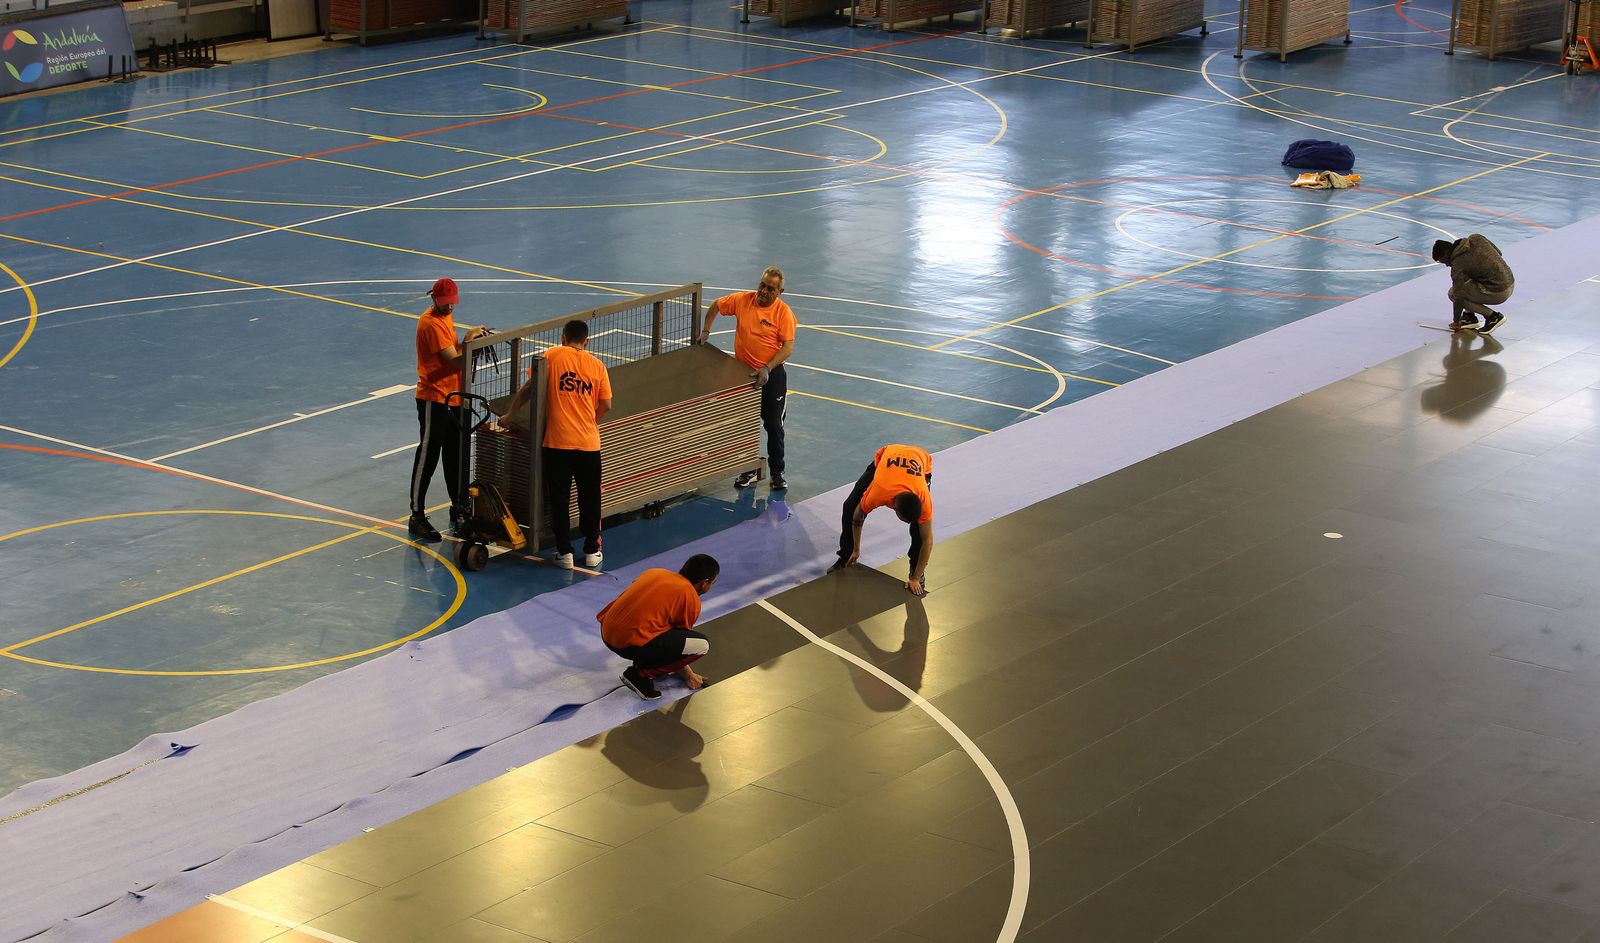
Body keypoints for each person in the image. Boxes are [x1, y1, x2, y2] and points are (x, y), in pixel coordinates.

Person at [502, 320, 611, 569]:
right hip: (589, 444)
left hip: (558, 443)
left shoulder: (550, 356)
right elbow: (606, 404)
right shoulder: (597, 365)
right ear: (587, 342)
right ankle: (593, 550)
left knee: (559, 500)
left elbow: (531, 388)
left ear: (562, 338)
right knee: (590, 498)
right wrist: (591, 421)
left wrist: (510, 415)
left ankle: (565, 552)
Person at [696, 266, 796, 490]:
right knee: (744, 424)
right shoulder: (742, 301)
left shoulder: (783, 313)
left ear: (780, 292)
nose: (764, 291)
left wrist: (767, 368)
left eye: (771, 288)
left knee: (773, 426)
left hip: (772, 376)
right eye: (762, 285)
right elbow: (716, 306)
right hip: (744, 375)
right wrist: (706, 331)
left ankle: (777, 472)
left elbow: (788, 347)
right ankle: (747, 470)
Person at [410, 277, 489, 542]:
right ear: (434, 299)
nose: (448, 308)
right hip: (435, 398)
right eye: (444, 303)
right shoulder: (431, 323)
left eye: (451, 304)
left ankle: (459, 508)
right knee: (428, 455)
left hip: (453, 397)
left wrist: (473, 342)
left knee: (455, 457)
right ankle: (416, 515)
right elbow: (454, 360)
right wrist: (470, 340)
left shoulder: (446, 317)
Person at [598, 554, 721, 700]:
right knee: (702, 645)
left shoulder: (655, 572)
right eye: (713, 583)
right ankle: (639, 675)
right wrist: (688, 674)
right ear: (704, 583)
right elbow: (679, 643)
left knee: (660, 628)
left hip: (606, 632)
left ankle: (642, 664)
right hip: (628, 644)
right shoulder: (689, 596)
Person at [829, 444, 934, 597]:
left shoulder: (924, 498)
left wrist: (917, 577)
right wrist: (856, 550)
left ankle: (916, 569)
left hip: (920, 460)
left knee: (920, 528)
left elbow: (928, 541)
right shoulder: (878, 492)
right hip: (886, 459)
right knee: (850, 505)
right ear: (894, 508)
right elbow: (858, 515)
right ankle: (846, 555)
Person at [1433, 235, 1513, 334]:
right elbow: (1499, 253)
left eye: (1443, 261)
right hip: (1509, 280)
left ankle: (1493, 317)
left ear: (1446, 254)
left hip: (1500, 291)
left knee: (1453, 293)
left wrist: (1456, 321)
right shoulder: (1476, 238)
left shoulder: (1458, 264)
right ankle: (1469, 316)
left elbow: (1458, 296)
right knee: (1468, 279)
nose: (1446, 265)